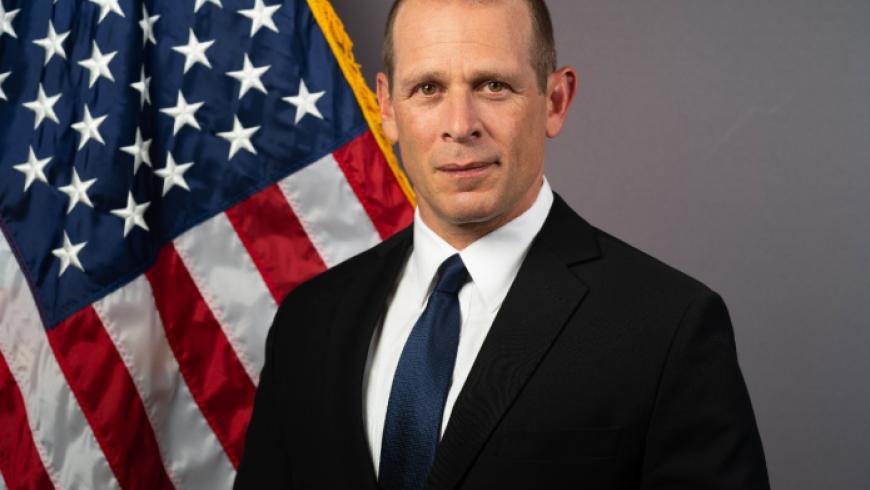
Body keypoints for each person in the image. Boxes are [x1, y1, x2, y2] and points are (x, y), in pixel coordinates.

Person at [235, 0, 770, 488]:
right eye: (428, 88)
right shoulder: (309, 320)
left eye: (493, 85)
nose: (460, 125)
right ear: (388, 107)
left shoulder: (668, 328)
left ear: (555, 101)